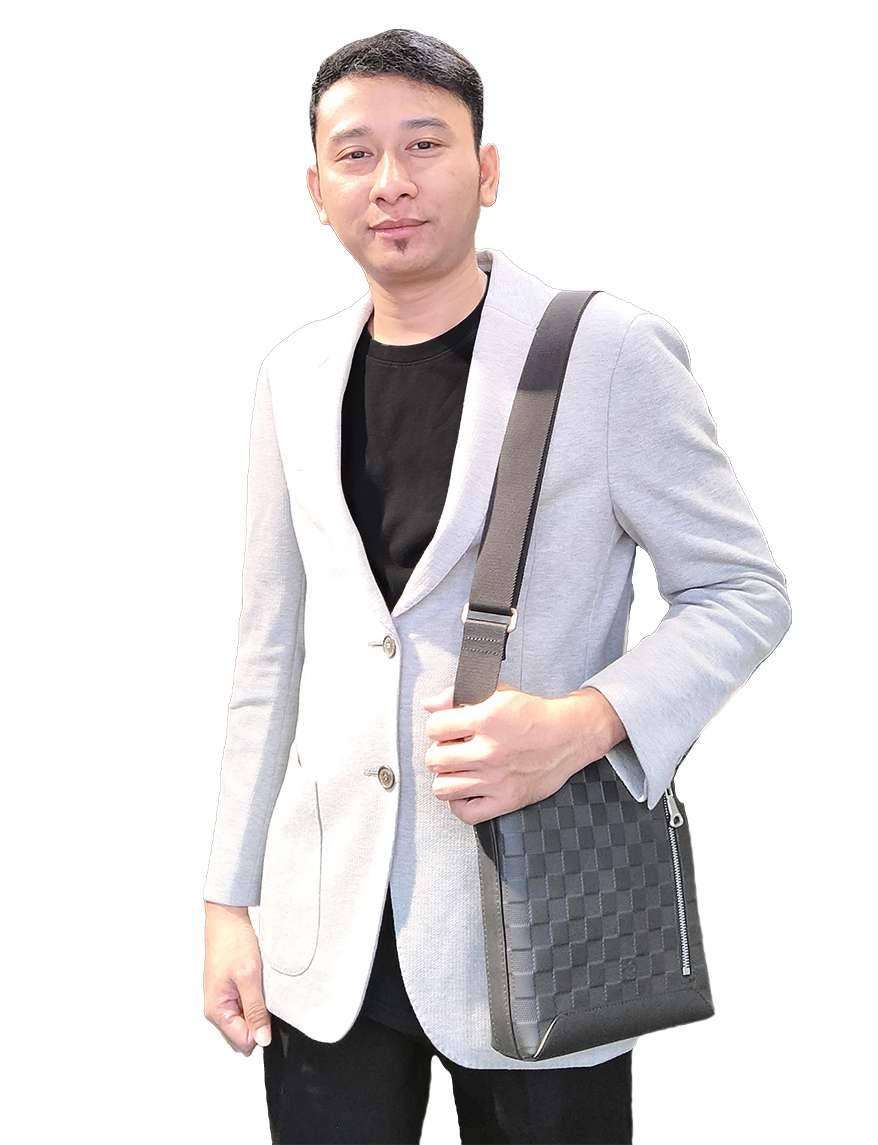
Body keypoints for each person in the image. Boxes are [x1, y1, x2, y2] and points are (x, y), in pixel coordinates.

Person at [203, 29, 791, 1145]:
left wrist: (586, 721)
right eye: (355, 153)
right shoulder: (290, 375)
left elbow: (740, 590)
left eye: (424, 144)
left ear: (486, 169)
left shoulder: (608, 350)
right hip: (324, 923)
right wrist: (226, 900)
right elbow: (271, 652)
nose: (390, 180)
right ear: (317, 189)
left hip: (541, 907)